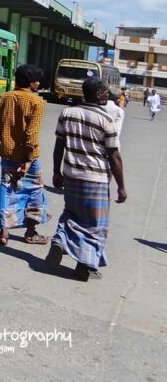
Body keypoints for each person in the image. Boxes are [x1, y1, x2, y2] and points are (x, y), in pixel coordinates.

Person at [47, 76, 126, 281]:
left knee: (71, 214)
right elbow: (114, 155)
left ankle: (60, 241)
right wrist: (121, 186)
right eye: (106, 92)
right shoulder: (106, 120)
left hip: (71, 174)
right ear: (98, 94)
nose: (108, 95)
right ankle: (84, 267)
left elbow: (59, 145)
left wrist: (56, 171)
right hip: (95, 179)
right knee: (95, 224)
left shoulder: (67, 113)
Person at [0, 64, 49, 246]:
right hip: (29, 157)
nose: (39, 84)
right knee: (35, 192)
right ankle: (31, 232)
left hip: (8, 153)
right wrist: (28, 160)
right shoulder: (37, 102)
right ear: (31, 82)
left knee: (6, 188)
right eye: (37, 81)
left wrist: (6, 136)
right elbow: (31, 134)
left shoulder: (4, 97)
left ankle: (3, 232)